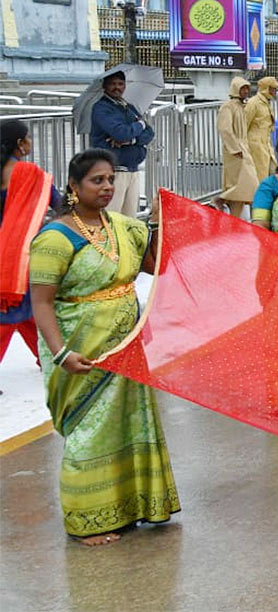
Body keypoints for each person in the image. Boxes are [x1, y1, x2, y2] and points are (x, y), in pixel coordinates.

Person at [28, 149, 179, 545]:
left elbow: (153, 264)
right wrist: (61, 354)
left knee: (128, 423)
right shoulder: (55, 238)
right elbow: (41, 301)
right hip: (83, 352)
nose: (108, 187)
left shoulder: (122, 227)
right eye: (97, 180)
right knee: (89, 432)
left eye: (111, 179)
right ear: (74, 188)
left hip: (127, 349)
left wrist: (163, 223)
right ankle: (86, 522)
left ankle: (132, 507)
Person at [1, 120, 59, 365]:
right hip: (17, 252)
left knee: (28, 309)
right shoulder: (28, 173)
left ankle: (48, 356)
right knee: (11, 311)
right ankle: (50, 356)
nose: (31, 142)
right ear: (19, 144)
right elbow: (58, 203)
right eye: (28, 137)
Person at [88, 69, 154, 217]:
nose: (117, 87)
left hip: (132, 169)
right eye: (112, 84)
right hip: (113, 171)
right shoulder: (101, 108)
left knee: (129, 218)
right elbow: (120, 132)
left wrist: (132, 139)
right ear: (104, 86)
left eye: (120, 83)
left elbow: (149, 133)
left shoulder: (128, 107)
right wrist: (140, 125)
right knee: (111, 216)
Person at [217, 76, 258, 218]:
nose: (246, 91)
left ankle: (235, 219)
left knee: (243, 188)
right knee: (243, 183)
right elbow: (225, 129)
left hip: (244, 148)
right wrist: (235, 148)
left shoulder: (242, 107)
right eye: (243, 88)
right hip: (235, 150)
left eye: (247, 88)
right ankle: (221, 199)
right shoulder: (227, 107)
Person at [245, 76, 278, 181]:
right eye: (273, 88)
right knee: (260, 174)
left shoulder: (266, 102)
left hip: (266, 142)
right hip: (255, 144)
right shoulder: (253, 103)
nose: (275, 91)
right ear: (266, 88)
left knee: (273, 170)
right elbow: (244, 125)